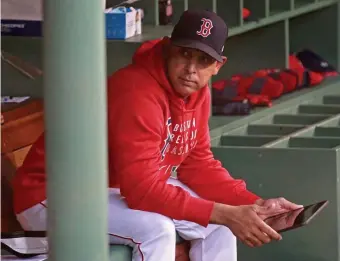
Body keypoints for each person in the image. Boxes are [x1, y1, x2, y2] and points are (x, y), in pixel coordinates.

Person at [10, 9, 301, 261]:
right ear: (167, 49)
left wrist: (255, 205)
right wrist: (226, 213)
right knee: (155, 230)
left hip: (112, 191)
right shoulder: (136, 91)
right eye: (184, 53)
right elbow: (142, 191)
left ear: (217, 66)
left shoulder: (197, 94)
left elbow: (198, 164)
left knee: (219, 226)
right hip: (53, 195)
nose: (190, 69)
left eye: (202, 60)